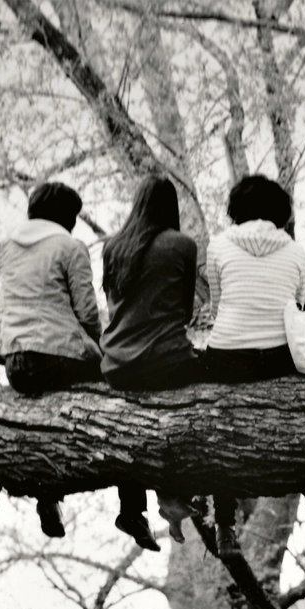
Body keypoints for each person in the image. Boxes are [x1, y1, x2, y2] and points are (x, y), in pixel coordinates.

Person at [201, 174, 305, 562]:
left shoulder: (218, 245)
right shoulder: (295, 251)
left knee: (221, 431)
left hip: (229, 357)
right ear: (280, 210)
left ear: (236, 209)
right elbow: (298, 304)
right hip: (280, 356)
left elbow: (217, 307)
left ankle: (224, 527)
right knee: (296, 432)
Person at [0, 180, 101, 539]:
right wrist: (99, 346)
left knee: (44, 414)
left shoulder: (9, 247)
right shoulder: (70, 247)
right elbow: (88, 313)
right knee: (112, 381)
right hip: (59, 359)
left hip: (18, 365)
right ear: (66, 217)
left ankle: (47, 495)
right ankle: (130, 505)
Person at [99, 175, 202, 547]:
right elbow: (186, 313)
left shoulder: (113, 247)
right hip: (167, 362)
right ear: (170, 207)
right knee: (188, 409)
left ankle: (131, 510)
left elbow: (114, 307)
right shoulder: (182, 245)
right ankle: (173, 495)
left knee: (131, 425)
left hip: (116, 366)